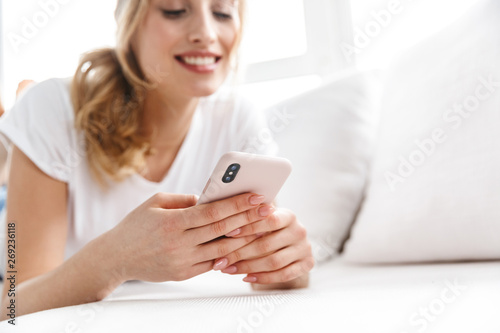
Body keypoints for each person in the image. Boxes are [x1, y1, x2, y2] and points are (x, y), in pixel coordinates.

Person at [0, 0, 314, 317]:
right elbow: (11, 304)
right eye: (175, 10)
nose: (206, 33)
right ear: (130, 26)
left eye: (222, 13)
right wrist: (115, 258)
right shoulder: (52, 108)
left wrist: (286, 267)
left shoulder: (238, 118)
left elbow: (265, 267)